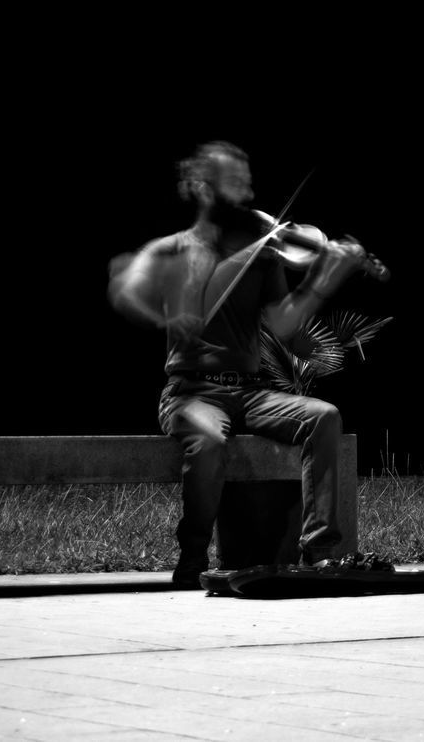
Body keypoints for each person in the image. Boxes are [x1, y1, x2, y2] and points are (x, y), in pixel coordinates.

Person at [108, 141, 372, 588]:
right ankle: (192, 559)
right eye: (236, 184)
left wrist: (324, 281)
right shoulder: (173, 249)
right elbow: (126, 289)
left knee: (323, 416)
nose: (248, 197)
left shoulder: (262, 254)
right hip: (190, 393)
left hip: (251, 392)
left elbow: (288, 329)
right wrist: (166, 318)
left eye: (248, 185)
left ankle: (320, 552)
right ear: (204, 189)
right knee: (209, 439)